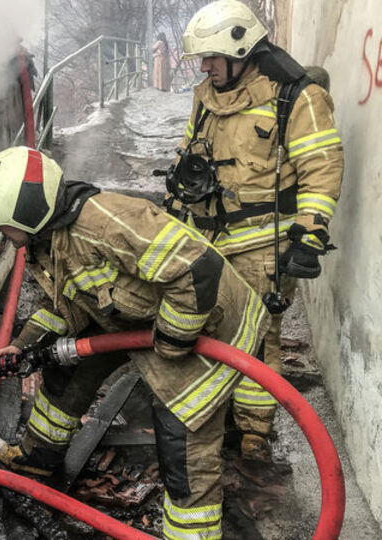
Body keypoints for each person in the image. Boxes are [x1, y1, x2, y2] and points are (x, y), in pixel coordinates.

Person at [0, 146, 269, 540]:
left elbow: (198, 271)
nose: (3, 239)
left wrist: (173, 340)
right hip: (135, 320)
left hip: (207, 328)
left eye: (3, 229)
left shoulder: (106, 224)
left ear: (27, 213)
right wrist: (26, 347)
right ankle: (38, 458)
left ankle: (192, 533)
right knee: (64, 365)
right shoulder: (49, 239)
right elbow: (61, 304)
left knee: (181, 446)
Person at [167, 0, 343, 461]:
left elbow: (321, 168)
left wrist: (310, 233)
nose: (204, 67)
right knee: (208, 329)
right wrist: (175, 204)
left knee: (259, 338)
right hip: (207, 240)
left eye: (212, 57)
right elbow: (190, 151)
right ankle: (216, 417)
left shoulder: (297, 97)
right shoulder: (206, 95)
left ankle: (253, 435)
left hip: (263, 244)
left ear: (241, 50)